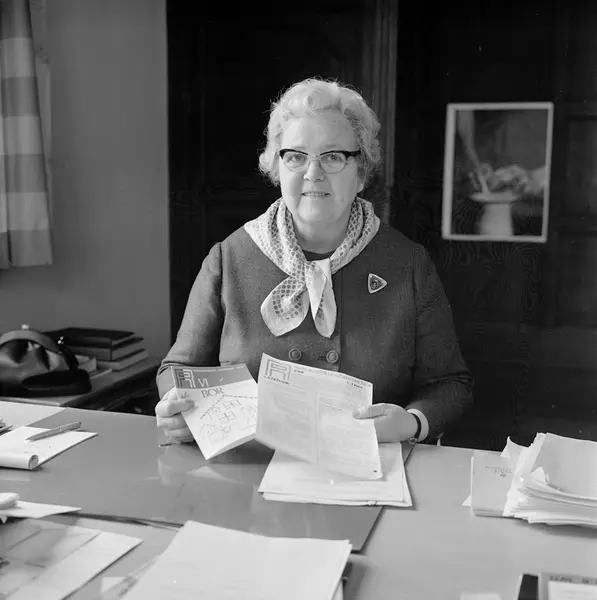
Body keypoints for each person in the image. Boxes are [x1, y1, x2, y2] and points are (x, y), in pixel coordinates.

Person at [156, 77, 473, 447]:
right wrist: (180, 407)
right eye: (296, 156)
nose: (313, 173)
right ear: (277, 169)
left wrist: (412, 422)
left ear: (361, 173)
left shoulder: (408, 263)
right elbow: (179, 370)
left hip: (368, 467)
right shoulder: (229, 258)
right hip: (249, 466)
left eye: (333, 157)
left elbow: (450, 385)